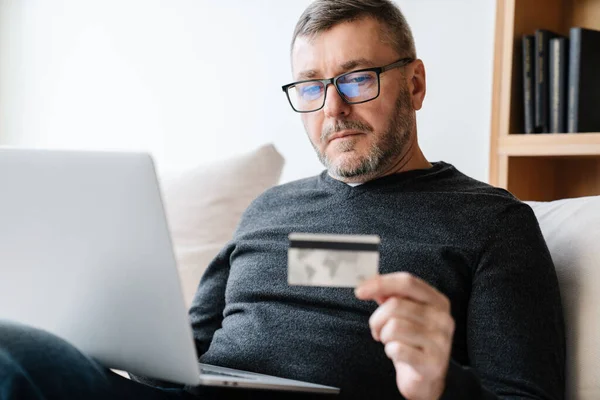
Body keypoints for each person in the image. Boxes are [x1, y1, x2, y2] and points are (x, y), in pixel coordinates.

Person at [0, 0, 565, 399]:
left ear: (414, 83)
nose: (332, 109)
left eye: (356, 78)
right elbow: (178, 357)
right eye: (312, 87)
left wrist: (441, 386)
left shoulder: (492, 222)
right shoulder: (270, 209)